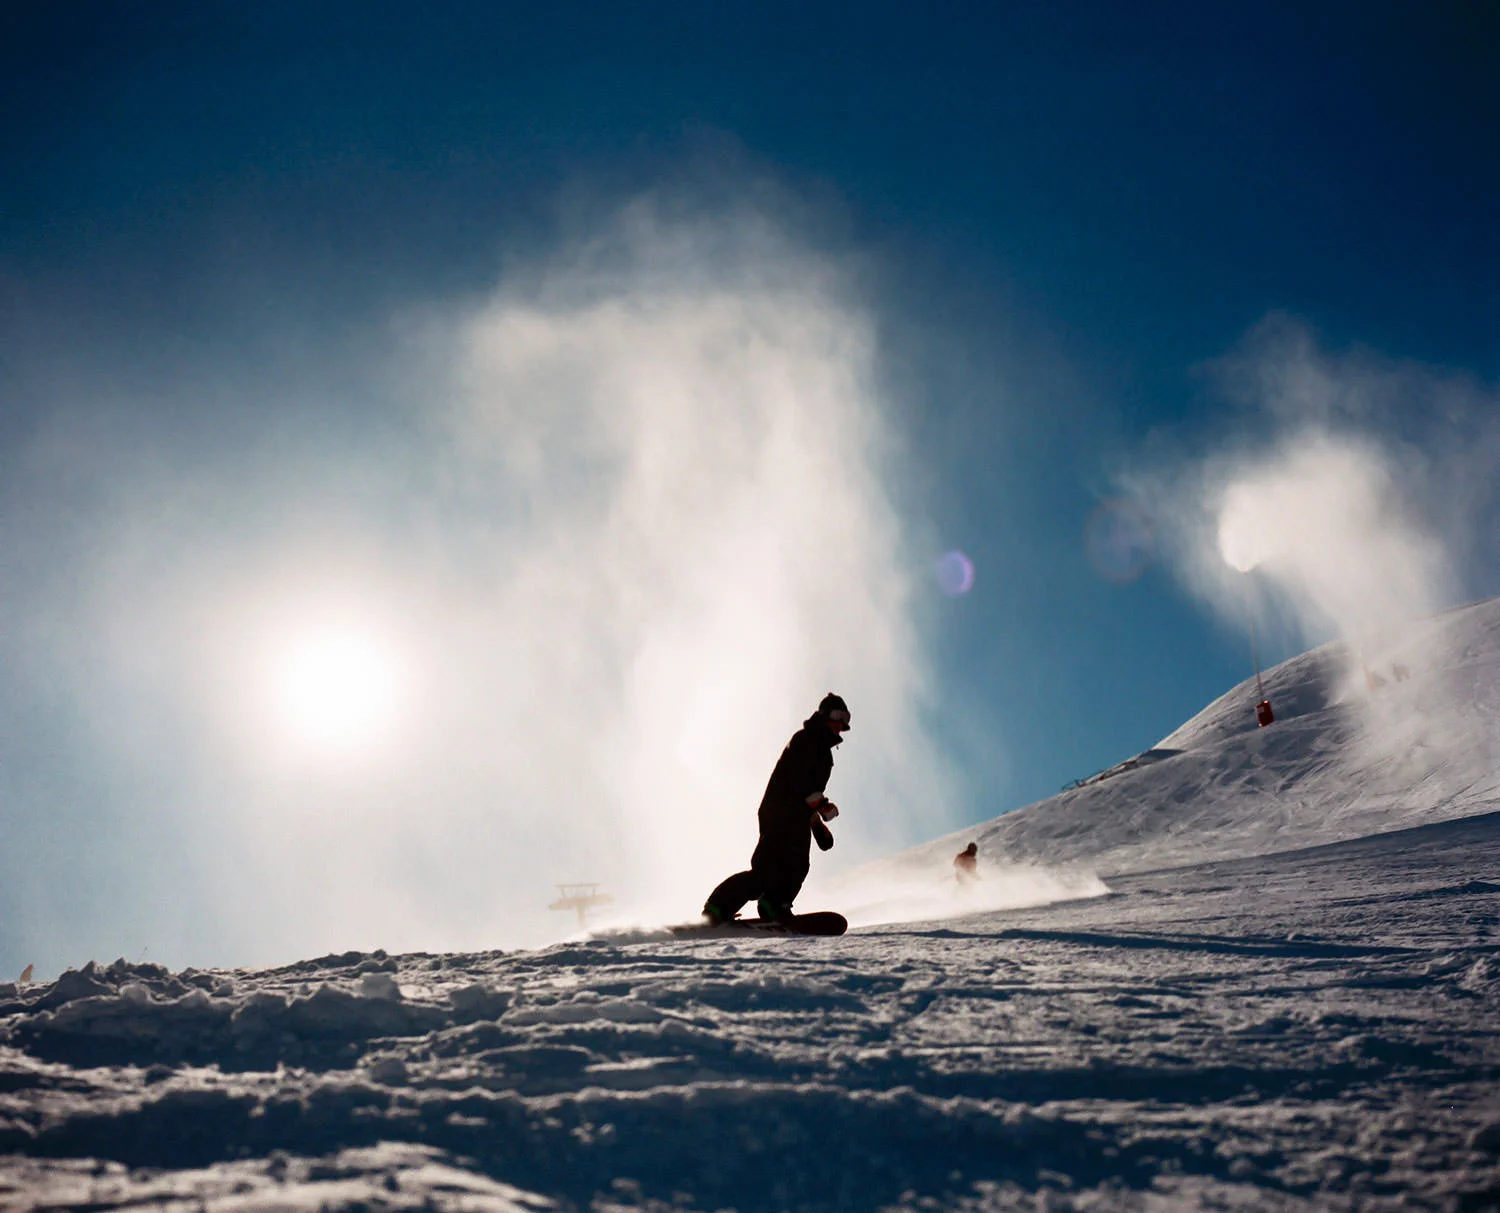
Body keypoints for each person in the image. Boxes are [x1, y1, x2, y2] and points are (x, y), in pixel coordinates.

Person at [702, 693, 851, 925]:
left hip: (797, 816)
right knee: (767, 870)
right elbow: (799, 781)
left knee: (798, 866)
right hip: (780, 812)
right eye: (836, 717)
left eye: (844, 720)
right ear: (824, 716)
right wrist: (822, 807)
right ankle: (718, 908)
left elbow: (808, 792)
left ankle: (774, 904)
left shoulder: (824, 752)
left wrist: (815, 822)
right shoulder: (806, 740)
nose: (840, 725)